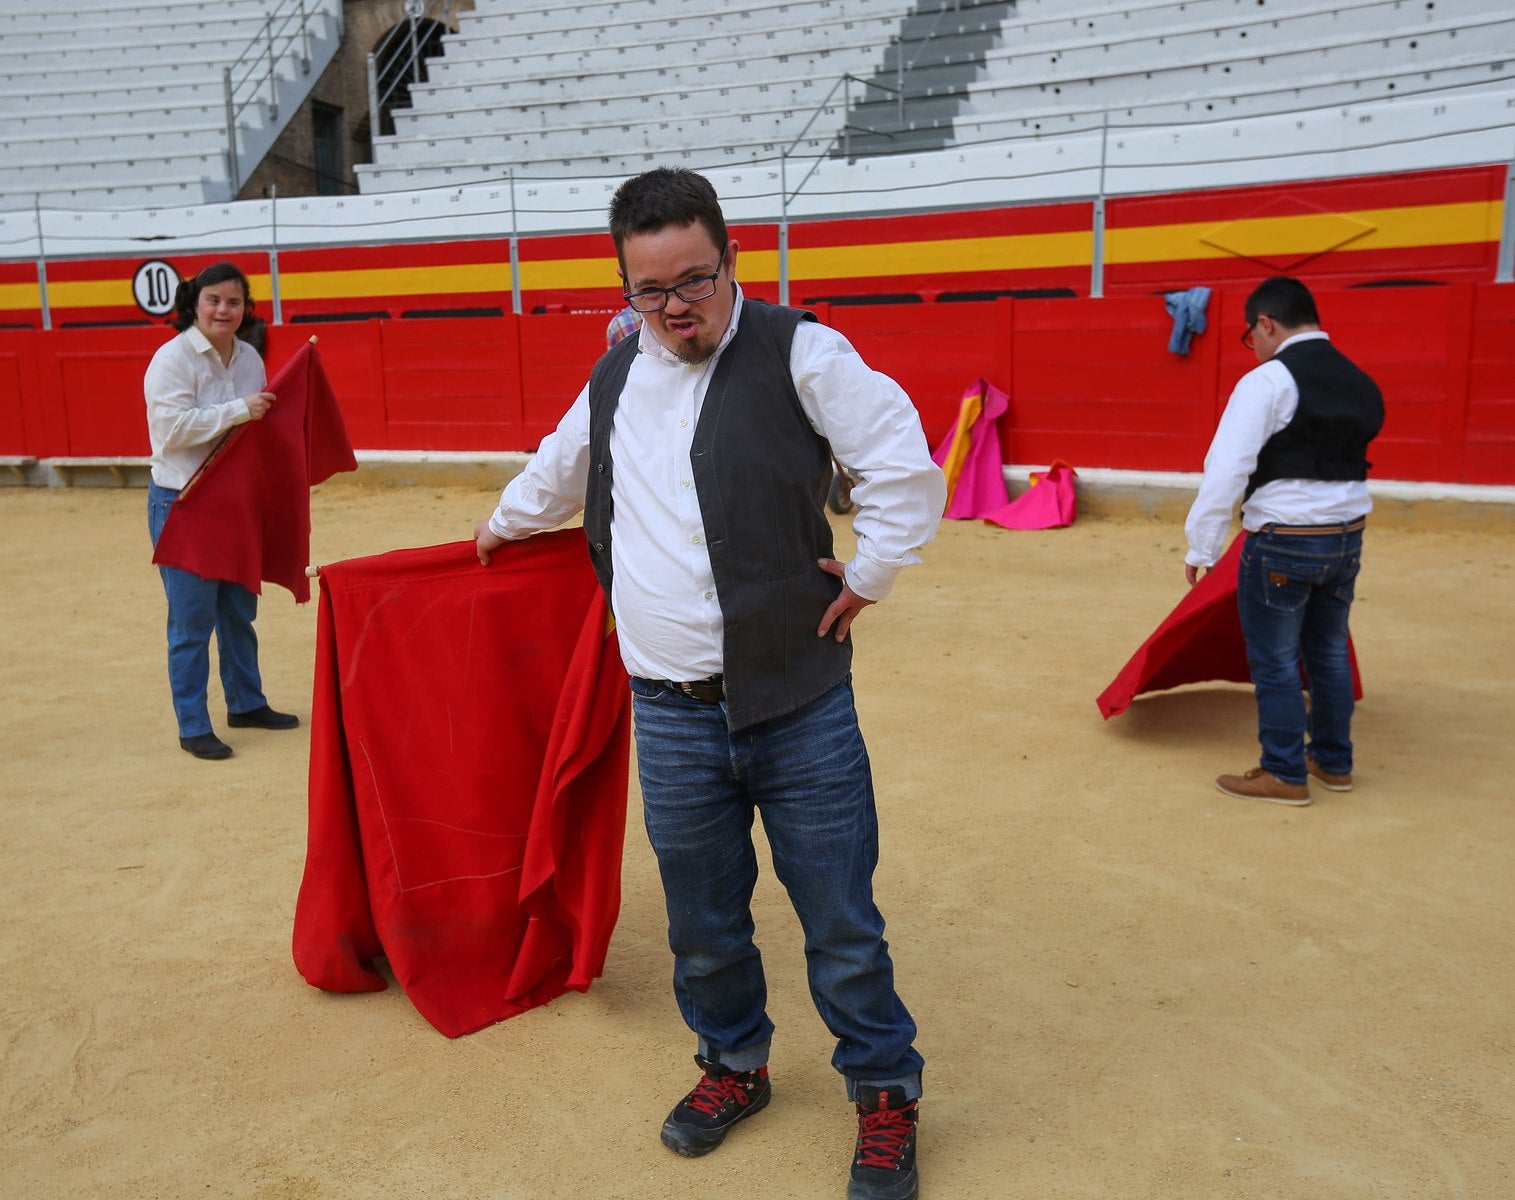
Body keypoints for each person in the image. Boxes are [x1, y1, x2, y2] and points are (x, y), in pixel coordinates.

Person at [474, 168, 946, 1200]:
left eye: (695, 280)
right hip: (670, 710)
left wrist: (870, 573)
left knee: (839, 916)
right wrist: (498, 528)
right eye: (652, 289)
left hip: (799, 701)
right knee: (702, 917)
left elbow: (903, 462)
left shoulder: (803, 351)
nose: (676, 306)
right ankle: (734, 1065)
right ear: (625, 288)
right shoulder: (614, 379)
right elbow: (557, 469)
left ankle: (883, 1094)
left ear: (731, 262)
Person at [1183, 276, 1384, 805]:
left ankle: (1285, 772)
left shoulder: (1269, 381)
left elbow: (1227, 468)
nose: (1255, 347)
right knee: (1328, 651)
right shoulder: (1360, 379)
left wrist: (1202, 545)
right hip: (1347, 538)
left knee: (1274, 659)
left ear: (1265, 324)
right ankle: (1333, 763)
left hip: (1284, 539)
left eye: (1252, 337)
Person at [144, 262, 301, 761]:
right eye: (214, 300)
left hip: (233, 502)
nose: (223, 310)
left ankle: (246, 703)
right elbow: (172, 432)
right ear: (194, 303)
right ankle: (193, 725)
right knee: (191, 622)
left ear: (244, 308)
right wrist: (240, 410)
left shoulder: (250, 358)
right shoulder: (171, 360)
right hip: (183, 501)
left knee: (237, 610)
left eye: (233, 302)